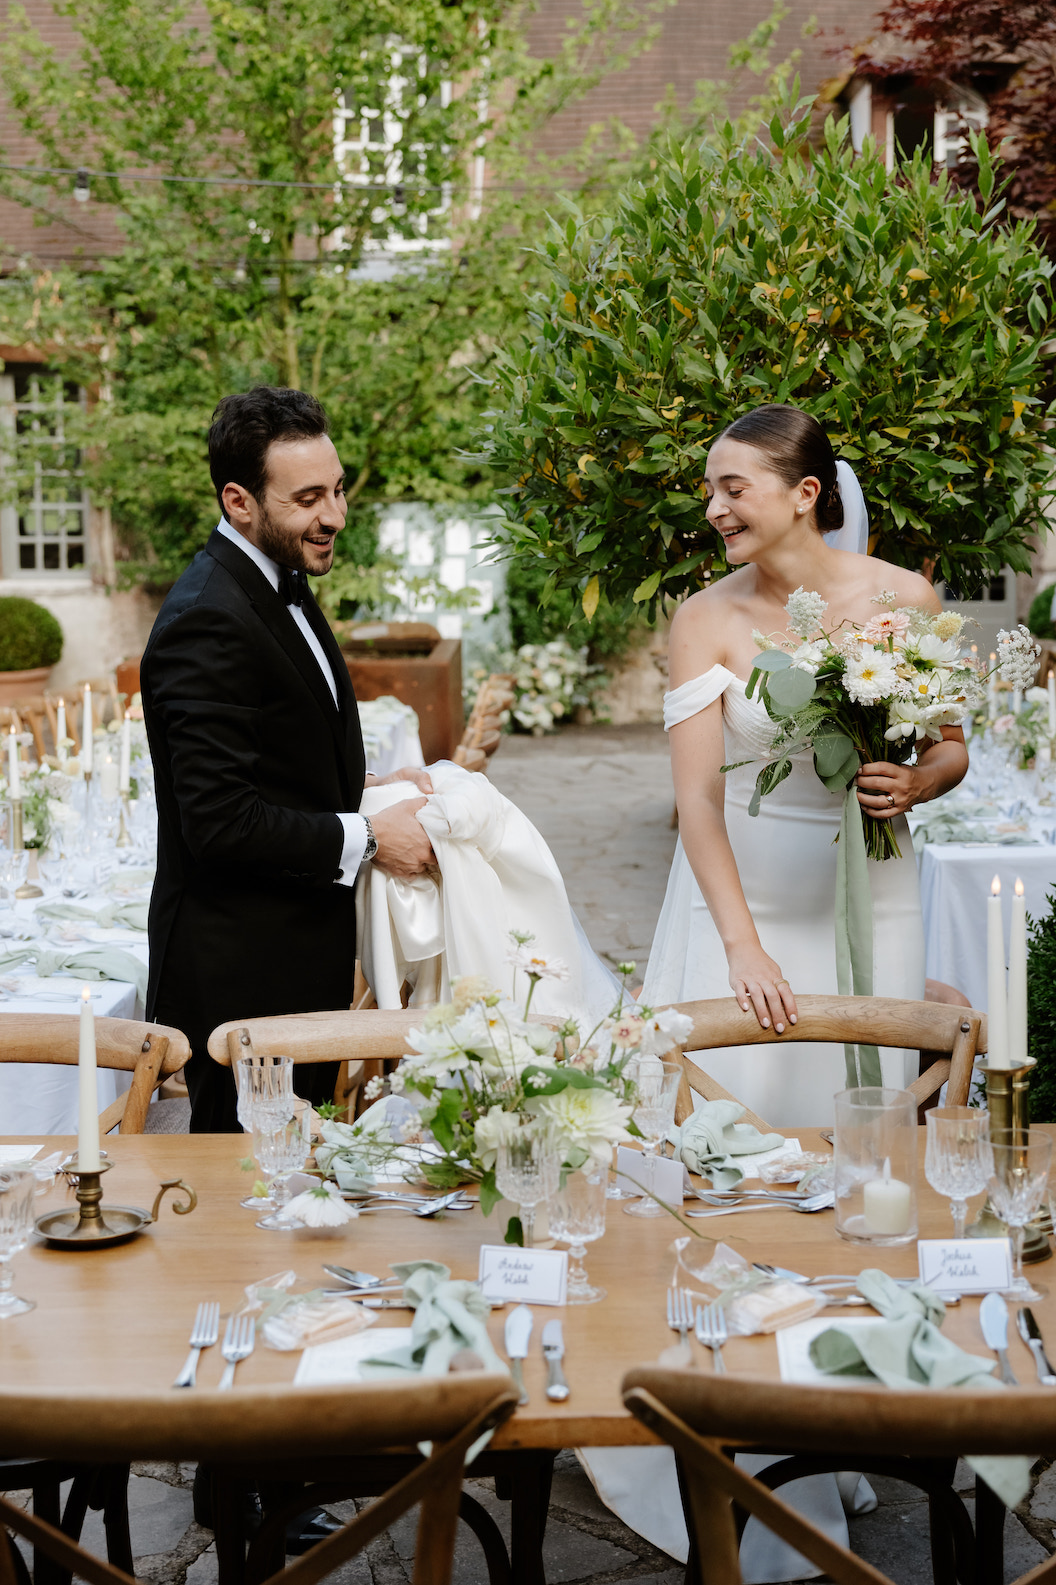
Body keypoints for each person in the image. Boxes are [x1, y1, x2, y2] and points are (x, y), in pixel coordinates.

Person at [642, 403, 969, 1127]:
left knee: (862, 1124)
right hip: (743, 908)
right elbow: (696, 800)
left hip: (873, 901)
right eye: (709, 492)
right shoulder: (703, 620)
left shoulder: (903, 598)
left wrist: (919, 780)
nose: (715, 508)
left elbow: (951, 747)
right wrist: (743, 948)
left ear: (806, 493)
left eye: (733, 488)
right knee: (732, 1123)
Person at [142, 386, 434, 1132]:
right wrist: (369, 837)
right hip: (241, 975)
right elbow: (218, 821)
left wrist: (362, 786)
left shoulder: (281, 577)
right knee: (247, 1205)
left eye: (337, 490)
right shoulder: (207, 617)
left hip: (295, 958)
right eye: (308, 497)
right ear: (239, 501)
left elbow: (270, 752)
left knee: (299, 1186)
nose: (334, 515)